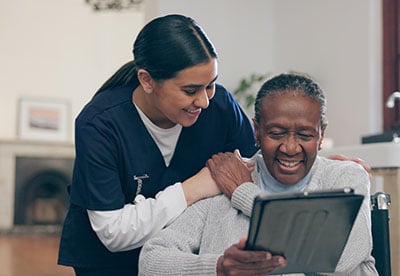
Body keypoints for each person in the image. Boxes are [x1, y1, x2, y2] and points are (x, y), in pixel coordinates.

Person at [57, 14, 258, 276]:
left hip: (184, 256)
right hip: (109, 263)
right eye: (190, 90)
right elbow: (114, 232)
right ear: (147, 80)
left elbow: (255, 168)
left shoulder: (221, 107)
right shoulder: (99, 124)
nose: (204, 101)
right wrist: (193, 189)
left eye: (211, 85)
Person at [138, 73, 378, 275]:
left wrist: (245, 193)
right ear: (256, 131)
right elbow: (151, 262)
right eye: (276, 133)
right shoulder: (224, 178)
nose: (290, 147)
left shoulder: (345, 178)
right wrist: (220, 267)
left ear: (321, 134)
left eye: (305, 135)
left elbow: (339, 258)